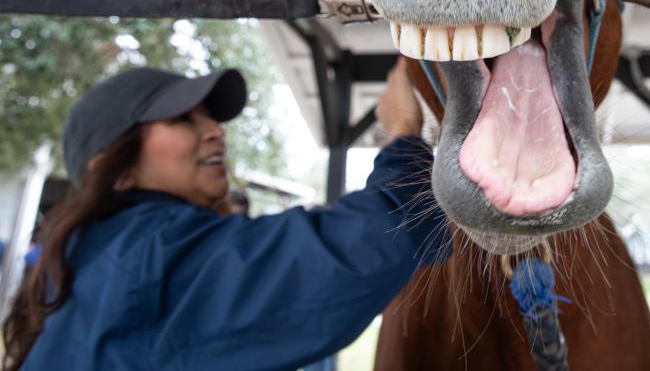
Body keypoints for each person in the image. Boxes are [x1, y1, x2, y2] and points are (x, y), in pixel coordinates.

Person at [1, 61, 446, 371]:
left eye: (208, 117)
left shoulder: (94, 252)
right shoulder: (149, 256)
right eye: (181, 119)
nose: (214, 129)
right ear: (114, 169)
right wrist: (404, 135)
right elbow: (354, 253)